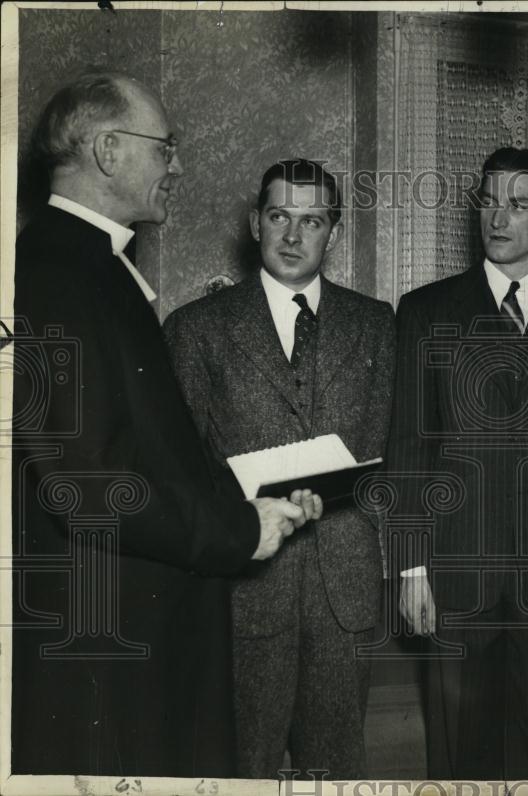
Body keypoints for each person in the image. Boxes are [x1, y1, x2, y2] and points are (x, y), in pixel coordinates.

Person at [10, 72, 317, 777]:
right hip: (111, 645)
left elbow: (141, 449)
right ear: (109, 150)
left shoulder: (88, 265)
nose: (177, 164)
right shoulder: (57, 274)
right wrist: (239, 530)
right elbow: (86, 484)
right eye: (165, 147)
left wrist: (249, 500)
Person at [386, 146, 528, 779]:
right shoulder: (425, 311)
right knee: (461, 760)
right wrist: (411, 570)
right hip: (456, 576)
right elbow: (409, 451)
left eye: (519, 204)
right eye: (488, 200)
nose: (498, 217)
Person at [163, 159, 395, 779]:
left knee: (337, 772)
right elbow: (182, 471)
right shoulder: (196, 330)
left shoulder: (377, 326)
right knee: (242, 767)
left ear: (335, 233)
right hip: (243, 590)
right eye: (279, 217)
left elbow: (382, 456)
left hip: (344, 590)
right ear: (254, 223)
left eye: (312, 220)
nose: (294, 237)